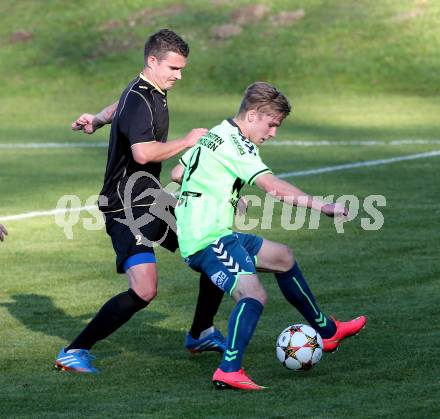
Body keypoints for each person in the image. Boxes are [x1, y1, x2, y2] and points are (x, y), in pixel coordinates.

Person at [172, 82, 367, 391]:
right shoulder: (237, 145)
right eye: (271, 124)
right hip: (206, 238)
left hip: (218, 231)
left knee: (283, 257)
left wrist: (226, 191)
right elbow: (273, 187)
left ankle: (327, 331)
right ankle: (229, 370)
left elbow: (178, 174)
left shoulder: (216, 133)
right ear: (252, 115)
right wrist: (321, 206)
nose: (273, 132)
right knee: (253, 295)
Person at [55, 29, 225, 374]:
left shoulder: (150, 89)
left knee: (213, 247)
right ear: (152, 61)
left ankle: (201, 332)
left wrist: (98, 119)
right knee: (145, 290)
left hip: (149, 198)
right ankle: (74, 351)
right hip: (124, 207)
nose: (178, 76)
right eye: (173, 68)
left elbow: (120, 105)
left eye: (181, 69)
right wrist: (187, 141)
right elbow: (143, 152)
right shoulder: (140, 97)